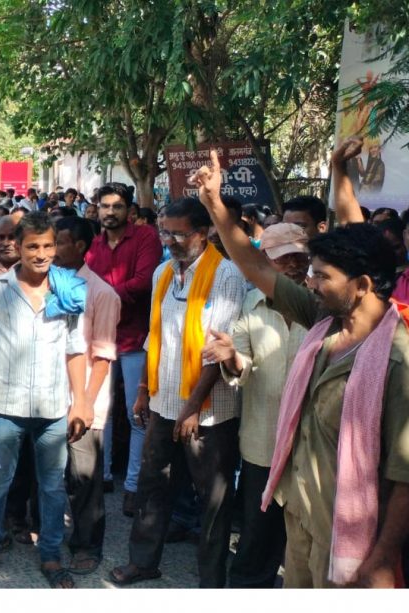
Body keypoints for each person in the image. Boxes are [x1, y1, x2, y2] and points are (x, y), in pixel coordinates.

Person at [197, 148, 409, 588]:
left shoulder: (397, 362)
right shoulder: (323, 319)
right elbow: (255, 264)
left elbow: (403, 476)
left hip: (351, 537)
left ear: (362, 285)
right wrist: (214, 203)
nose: (309, 283)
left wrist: (384, 557)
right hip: (299, 513)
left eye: (321, 276)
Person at [108, 196, 247, 588]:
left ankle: (211, 581)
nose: (168, 240)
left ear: (203, 233)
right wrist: (142, 390)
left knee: (212, 499)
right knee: (152, 486)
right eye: (164, 232)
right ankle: (143, 562)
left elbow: (216, 351)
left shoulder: (226, 275)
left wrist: (192, 408)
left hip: (209, 412)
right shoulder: (163, 273)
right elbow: (155, 336)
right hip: (163, 401)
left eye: (178, 234)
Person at [0, 212, 90, 587]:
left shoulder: (68, 289)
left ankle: (50, 554)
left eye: (48, 246)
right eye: (33, 246)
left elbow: (75, 349)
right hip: (3, 408)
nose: (41, 254)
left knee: (52, 487)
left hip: (53, 411)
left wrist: (81, 401)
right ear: (18, 247)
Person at [200, 223, 310, 588]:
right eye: (283, 258)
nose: (293, 265)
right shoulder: (251, 304)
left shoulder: (322, 305)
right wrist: (231, 357)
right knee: (258, 529)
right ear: (264, 261)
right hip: (264, 439)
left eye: (299, 257)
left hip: (311, 443)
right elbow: (242, 365)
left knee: (306, 534)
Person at [84, 184, 162, 514]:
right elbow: (84, 285)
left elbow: (144, 282)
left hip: (135, 338)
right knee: (99, 410)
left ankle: (133, 485)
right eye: (105, 206)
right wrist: (104, 296)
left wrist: (103, 295)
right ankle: (100, 477)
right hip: (101, 337)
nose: (110, 212)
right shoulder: (93, 244)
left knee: (136, 414)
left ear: (129, 210)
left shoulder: (146, 237)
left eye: (117, 206)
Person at [54, 216, 120, 576]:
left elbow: (103, 355)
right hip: (49, 396)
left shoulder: (101, 293)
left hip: (84, 401)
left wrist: (86, 404)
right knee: (51, 473)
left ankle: (87, 545)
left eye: (58, 242)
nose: (51, 249)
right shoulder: (47, 285)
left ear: (80, 247)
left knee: (84, 478)